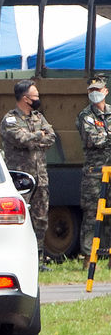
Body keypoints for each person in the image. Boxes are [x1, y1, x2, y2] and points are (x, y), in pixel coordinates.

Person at [0, 79, 57, 270]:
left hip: (40, 177)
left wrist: (37, 136)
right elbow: (19, 138)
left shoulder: (38, 117)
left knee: (40, 219)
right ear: (25, 98)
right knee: (18, 219)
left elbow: (51, 137)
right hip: (20, 180)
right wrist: (37, 136)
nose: (38, 99)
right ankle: (17, 259)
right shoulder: (10, 120)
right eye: (35, 96)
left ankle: (38, 260)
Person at [76, 76, 111, 257]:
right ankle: (89, 256)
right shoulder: (86, 116)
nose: (95, 94)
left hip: (110, 172)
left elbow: (102, 138)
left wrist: (105, 136)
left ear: (105, 91)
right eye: (91, 91)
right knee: (92, 214)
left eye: (98, 90)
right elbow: (92, 140)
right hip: (94, 174)